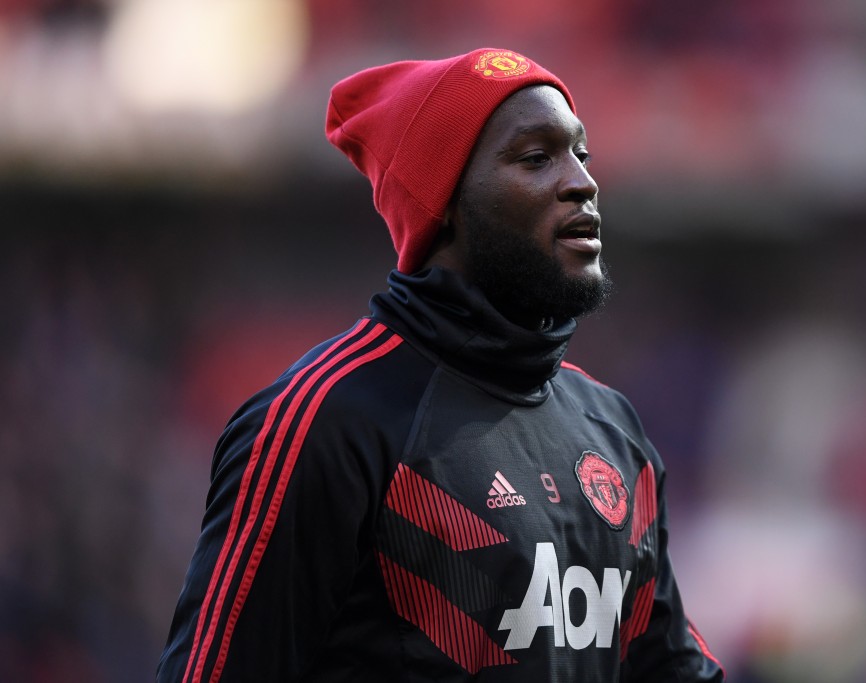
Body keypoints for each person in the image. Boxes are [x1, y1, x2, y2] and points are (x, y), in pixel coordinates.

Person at [157, 47, 724, 682]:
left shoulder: (614, 430)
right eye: (536, 158)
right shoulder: (327, 421)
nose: (582, 183)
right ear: (445, 201)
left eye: (580, 155)